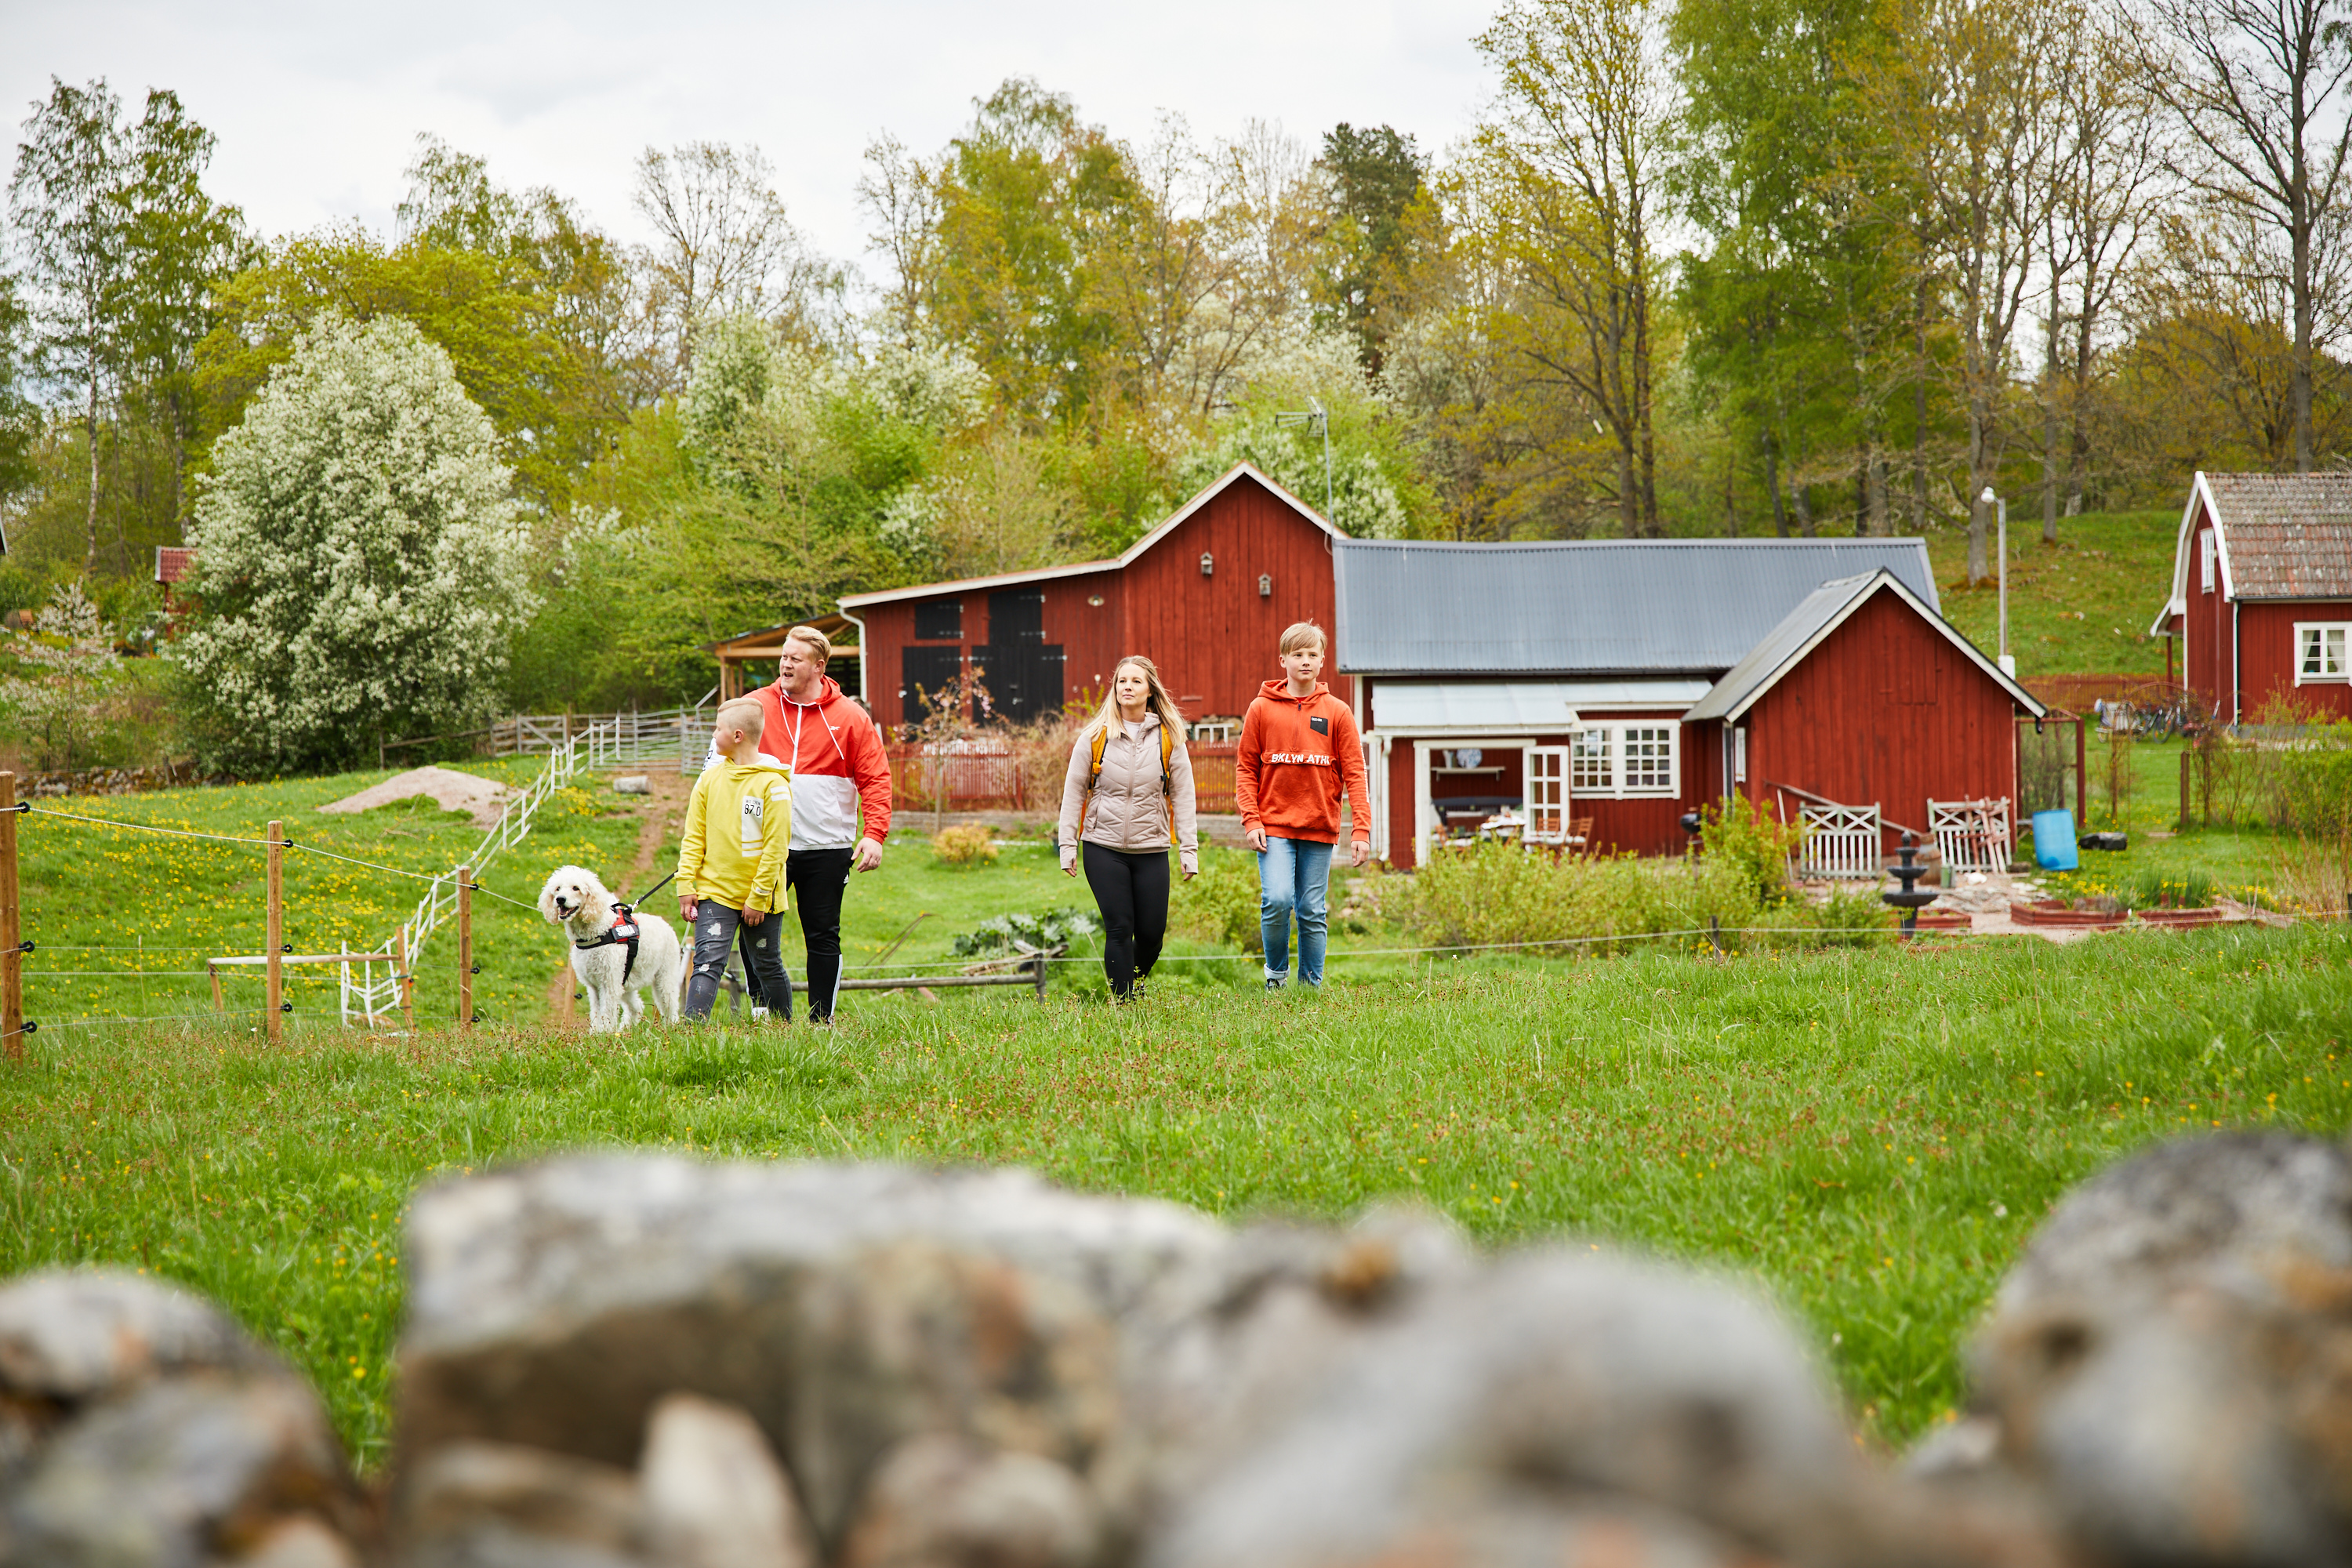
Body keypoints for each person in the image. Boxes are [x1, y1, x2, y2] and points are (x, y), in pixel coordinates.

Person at [738, 625, 895, 1023]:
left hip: (826, 846)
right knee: (753, 928)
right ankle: (764, 1013)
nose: (786, 664)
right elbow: (720, 767)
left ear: (819, 667)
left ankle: (821, 1021)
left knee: (823, 935)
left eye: (796, 658)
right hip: (764, 845)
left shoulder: (851, 717)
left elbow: (876, 778)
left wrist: (874, 834)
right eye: (784, 656)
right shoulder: (755, 706)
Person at [1234, 621, 1371, 992]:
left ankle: (1310, 988)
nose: (1305, 661)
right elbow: (1246, 769)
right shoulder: (1261, 709)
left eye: (1313, 654)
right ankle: (1276, 978)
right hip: (1273, 826)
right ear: (1283, 660)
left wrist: (1361, 829)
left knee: (1311, 909)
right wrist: (1251, 820)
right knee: (1277, 899)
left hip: (1319, 826)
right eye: (1298, 654)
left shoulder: (1338, 712)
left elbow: (1355, 774)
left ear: (1323, 660)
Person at [1058, 655, 1200, 1001]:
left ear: (1150, 690)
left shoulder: (1170, 739)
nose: (1127, 687)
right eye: (1122, 681)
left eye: (1136, 681)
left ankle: (1129, 985)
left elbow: (1183, 796)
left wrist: (1189, 849)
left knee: (1151, 936)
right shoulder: (1095, 736)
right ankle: (1124, 1006)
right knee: (1119, 928)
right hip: (1102, 846)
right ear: (1115, 688)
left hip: (1151, 847)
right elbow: (1073, 792)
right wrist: (1067, 845)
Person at [677, 699, 793, 1020]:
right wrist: (686, 883)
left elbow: (776, 848)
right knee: (706, 963)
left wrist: (758, 897)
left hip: (761, 897)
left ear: (738, 735)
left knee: (767, 964)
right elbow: (693, 836)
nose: (714, 735)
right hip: (716, 892)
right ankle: (691, 1033)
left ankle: (785, 1031)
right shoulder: (708, 781)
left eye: (718, 729)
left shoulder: (774, 785)